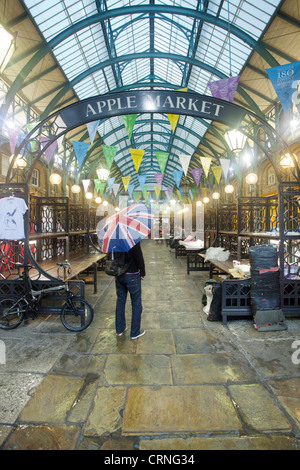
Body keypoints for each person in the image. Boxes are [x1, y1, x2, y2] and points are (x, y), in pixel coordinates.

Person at [115, 242, 146, 340]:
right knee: (136, 304)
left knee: (120, 302)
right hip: (132, 274)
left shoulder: (115, 239)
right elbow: (139, 257)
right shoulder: (133, 240)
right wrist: (143, 272)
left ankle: (119, 330)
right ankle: (134, 332)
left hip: (119, 275)